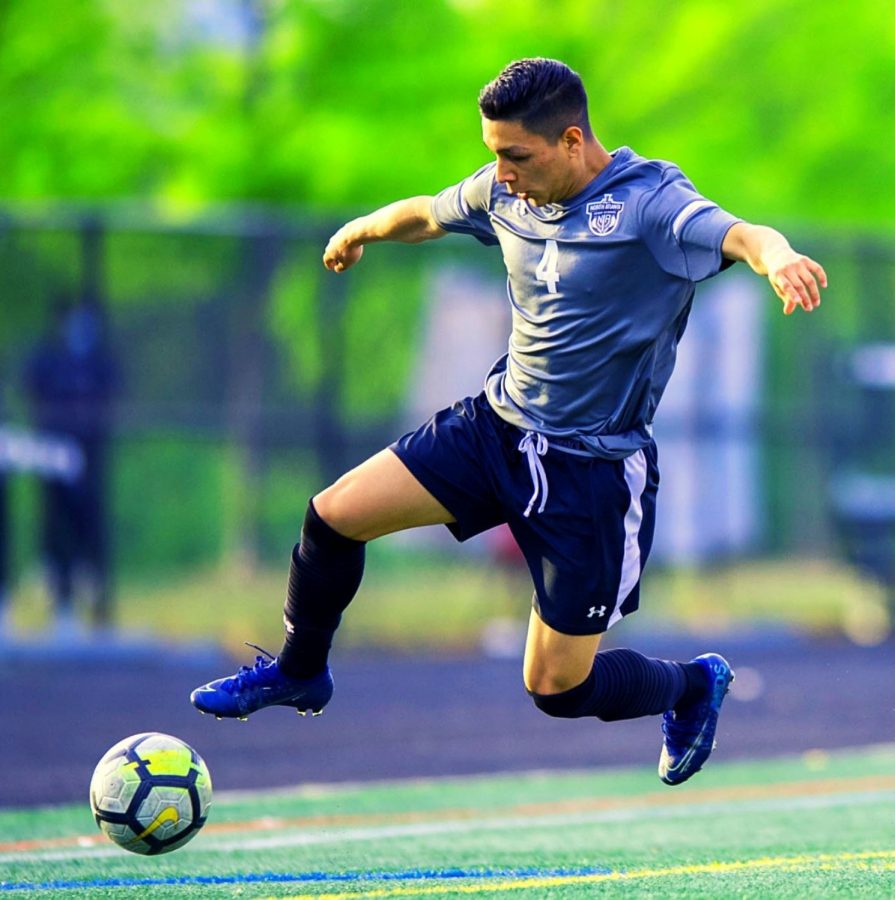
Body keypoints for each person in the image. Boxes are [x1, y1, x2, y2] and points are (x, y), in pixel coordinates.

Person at [191, 58, 826, 785]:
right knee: (333, 515)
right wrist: (361, 228)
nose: (502, 172)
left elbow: (741, 233)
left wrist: (777, 260)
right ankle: (300, 673)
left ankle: (690, 685)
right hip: (495, 428)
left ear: (571, 140)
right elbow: (428, 213)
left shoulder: (650, 202)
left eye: (515, 156)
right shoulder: (506, 191)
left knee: (556, 688)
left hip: (589, 473)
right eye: (494, 154)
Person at [24, 300, 118, 635]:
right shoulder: (48, 360)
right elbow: (33, 394)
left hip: (91, 457)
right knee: (56, 523)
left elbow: (110, 396)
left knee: (88, 522)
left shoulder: (100, 363)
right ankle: (59, 593)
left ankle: (90, 586)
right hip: (55, 453)